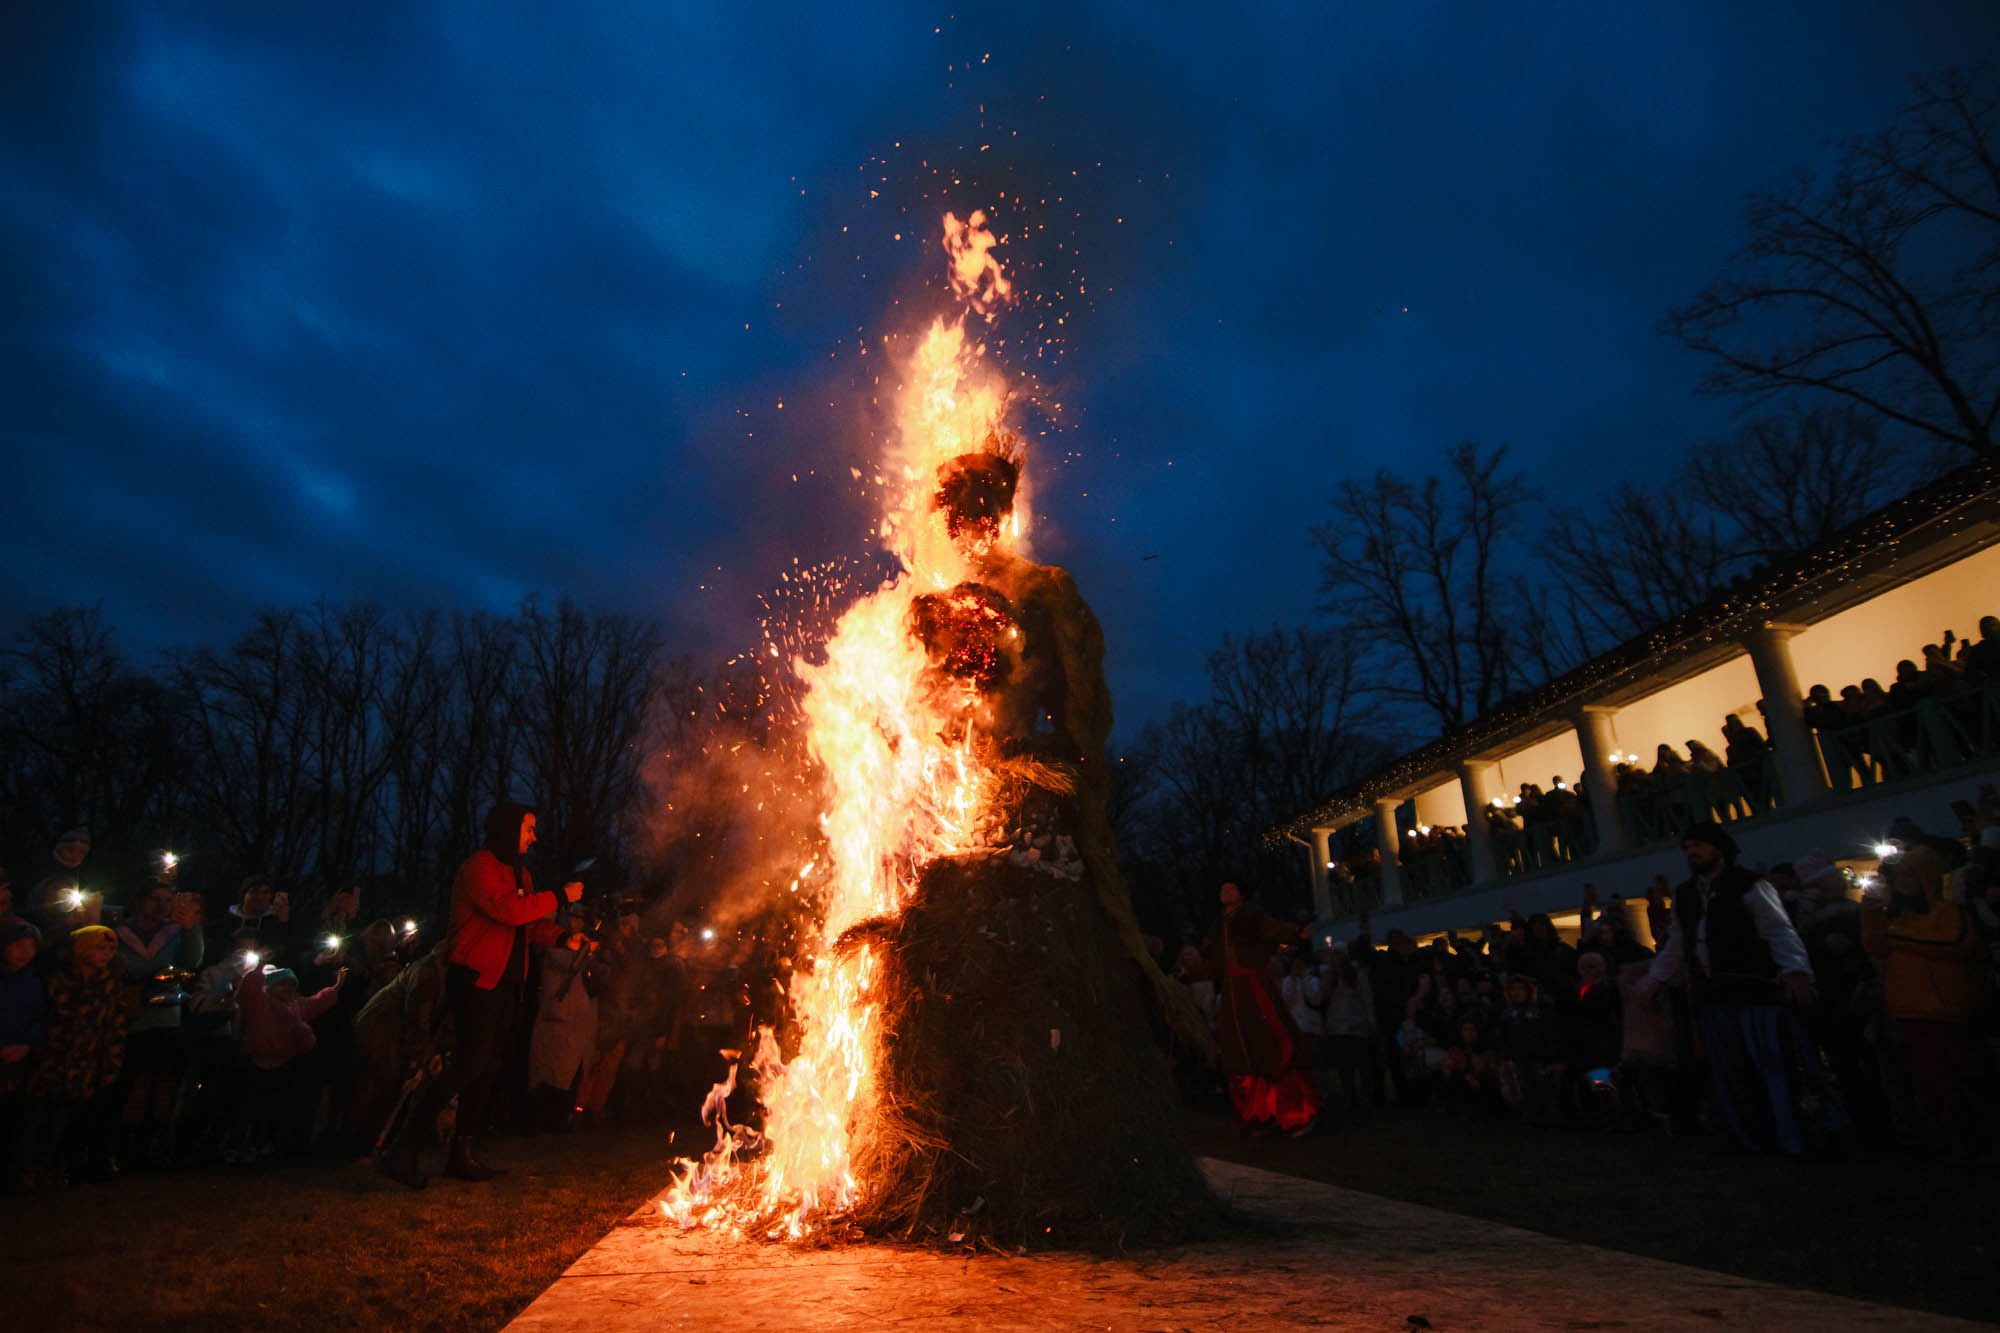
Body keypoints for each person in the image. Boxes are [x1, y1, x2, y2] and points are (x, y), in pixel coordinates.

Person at [379, 801, 580, 1188]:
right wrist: (561, 896)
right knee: (468, 1065)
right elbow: (508, 911)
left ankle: (462, 1154)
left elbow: (527, 925)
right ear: (509, 829)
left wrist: (561, 937)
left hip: (507, 983)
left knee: (487, 1069)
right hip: (474, 979)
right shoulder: (480, 867)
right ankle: (403, 1149)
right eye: (529, 828)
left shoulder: (521, 873)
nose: (533, 836)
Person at [1639, 822, 1846, 1155]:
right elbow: (1679, 941)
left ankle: (1796, 1136)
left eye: (1699, 846)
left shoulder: (1750, 885)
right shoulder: (1685, 893)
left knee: (1775, 1068)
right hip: (1714, 998)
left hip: (1755, 994)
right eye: (1688, 846)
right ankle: (1752, 1138)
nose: (1692, 852)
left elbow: (1779, 931)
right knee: (1731, 1073)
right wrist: (1655, 979)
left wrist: (1795, 972)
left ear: (1718, 849)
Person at [1861, 843, 1995, 1157]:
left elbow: (1955, 944)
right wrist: (1869, 911)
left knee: (1967, 1078)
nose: (1903, 882)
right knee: (1934, 1083)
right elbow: (1875, 946)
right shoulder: (1898, 917)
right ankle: (1954, 1140)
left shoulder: (1946, 911)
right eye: (1899, 876)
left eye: (1910, 875)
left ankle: (1982, 1138)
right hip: (1911, 1011)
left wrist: (1897, 941)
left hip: (1948, 1010)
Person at [1199, 882, 1319, 1135]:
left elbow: (1274, 928)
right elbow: (1212, 963)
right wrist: (1186, 975)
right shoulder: (1218, 927)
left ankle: (1296, 1111)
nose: (1225, 891)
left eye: (1231, 887)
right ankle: (1259, 1113)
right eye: (1222, 888)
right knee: (1241, 1052)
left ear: (1241, 893)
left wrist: (1297, 932)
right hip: (1232, 996)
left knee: (1271, 1044)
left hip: (1254, 988)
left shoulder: (1252, 917)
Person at [28, 924, 127, 1183]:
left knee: (67, 1118)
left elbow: (114, 1027)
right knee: (38, 1116)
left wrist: (110, 1062)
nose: (106, 954)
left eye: (110, 949)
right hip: (53, 1058)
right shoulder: (58, 983)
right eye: (99, 948)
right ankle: (29, 1165)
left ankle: (56, 1165)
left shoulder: (109, 986)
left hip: (87, 1060)